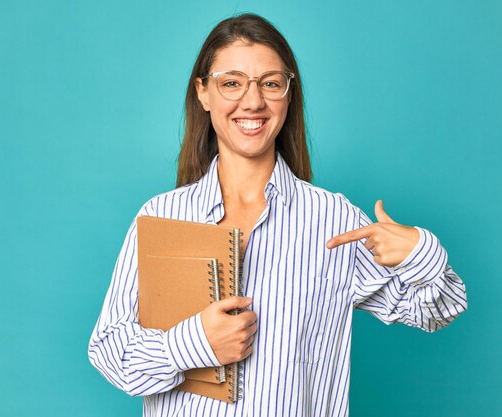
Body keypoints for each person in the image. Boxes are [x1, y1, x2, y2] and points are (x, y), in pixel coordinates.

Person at [88, 13, 467, 417]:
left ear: (288, 94)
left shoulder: (333, 220)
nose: (252, 101)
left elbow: (437, 311)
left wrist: (419, 253)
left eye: (270, 83)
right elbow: (111, 353)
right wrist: (195, 343)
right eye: (231, 83)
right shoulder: (162, 216)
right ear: (203, 93)